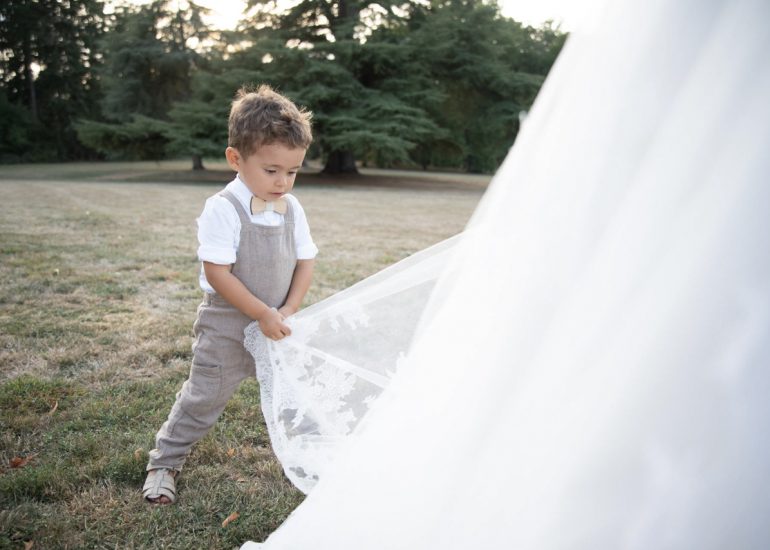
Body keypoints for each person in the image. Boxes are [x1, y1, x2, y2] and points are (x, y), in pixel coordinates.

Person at [142, 85, 316, 505]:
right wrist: (261, 313)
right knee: (204, 396)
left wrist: (288, 309)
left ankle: (314, 455)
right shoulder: (223, 207)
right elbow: (217, 273)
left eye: (292, 172)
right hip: (226, 326)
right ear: (236, 159)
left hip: (278, 323)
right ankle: (165, 461)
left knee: (297, 391)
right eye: (271, 170)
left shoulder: (292, 208)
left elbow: (306, 261)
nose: (283, 182)